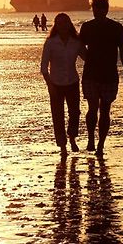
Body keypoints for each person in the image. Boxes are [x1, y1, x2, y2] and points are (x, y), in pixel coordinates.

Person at [80, 0, 123, 156]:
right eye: (95, 8)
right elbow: (80, 47)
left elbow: (122, 50)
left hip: (108, 74)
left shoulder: (116, 27)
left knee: (105, 109)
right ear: (93, 9)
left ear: (106, 9)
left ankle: (100, 144)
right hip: (91, 74)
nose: (97, 11)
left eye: (100, 8)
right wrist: (89, 59)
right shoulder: (87, 27)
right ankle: (91, 140)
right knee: (93, 108)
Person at [41, 13, 86, 156]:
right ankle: (62, 146)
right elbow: (43, 67)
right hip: (55, 83)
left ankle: (72, 137)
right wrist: (50, 85)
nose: (63, 26)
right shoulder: (50, 42)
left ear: (69, 24)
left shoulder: (76, 41)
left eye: (65, 23)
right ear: (56, 25)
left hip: (72, 81)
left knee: (75, 112)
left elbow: (87, 57)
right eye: (59, 23)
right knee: (57, 115)